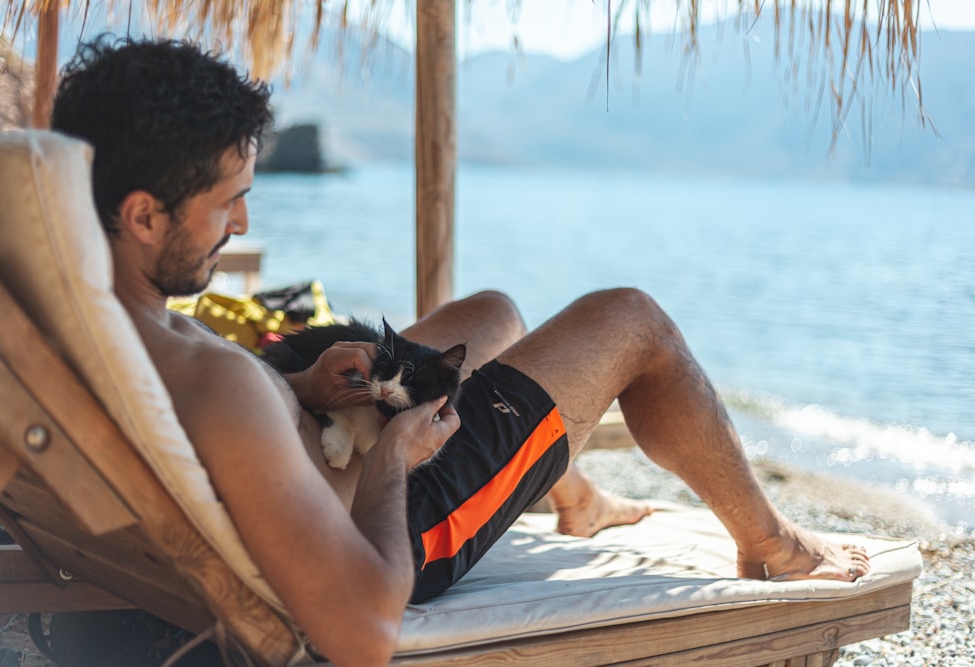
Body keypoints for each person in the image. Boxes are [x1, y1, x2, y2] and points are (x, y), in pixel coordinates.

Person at [51, 36, 869, 667]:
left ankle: (576, 496)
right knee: (633, 320)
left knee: (492, 313)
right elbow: (365, 628)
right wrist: (395, 459)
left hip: (329, 450)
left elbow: (235, 423)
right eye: (229, 202)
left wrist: (298, 382)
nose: (243, 227)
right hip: (414, 518)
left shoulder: (96, 319)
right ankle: (772, 544)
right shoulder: (214, 383)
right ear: (144, 216)